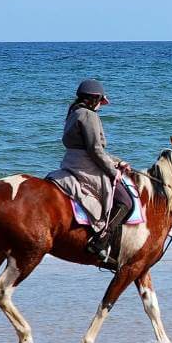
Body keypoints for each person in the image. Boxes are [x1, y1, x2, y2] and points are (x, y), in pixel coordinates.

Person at [46, 79, 134, 267]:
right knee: (125, 201)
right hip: (86, 166)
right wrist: (113, 171)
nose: (101, 105)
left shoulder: (73, 113)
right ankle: (100, 241)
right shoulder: (89, 115)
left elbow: (90, 149)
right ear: (94, 99)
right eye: (100, 101)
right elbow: (95, 150)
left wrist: (118, 161)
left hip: (71, 161)